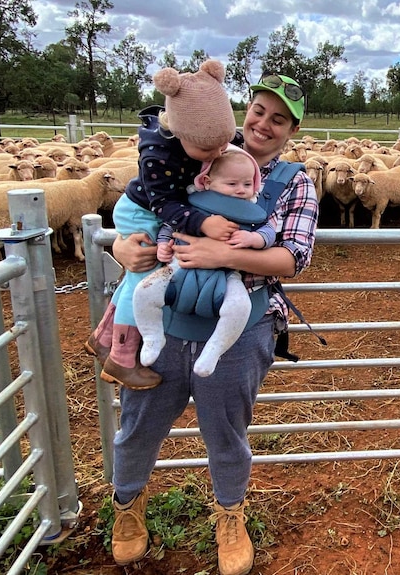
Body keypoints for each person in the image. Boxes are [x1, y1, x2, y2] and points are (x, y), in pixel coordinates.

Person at [108, 72, 318, 575]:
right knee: (137, 427)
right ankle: (127, 509)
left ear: (292, 130)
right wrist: (121, 247)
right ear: (244, 110)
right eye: (259, 111)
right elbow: (145, 211)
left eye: (280, 119)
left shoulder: (295, 183)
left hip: (238, 329)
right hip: (168, 316)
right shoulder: (197, 153)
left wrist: (220, 251)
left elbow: (293, 259)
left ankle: (230, 516)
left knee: (226, 432)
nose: (264, 124)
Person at [84, 59, 238, 390]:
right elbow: (164, 204)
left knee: (139, 273)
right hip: (143, 210)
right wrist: (205, 223)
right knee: (145, 278)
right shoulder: (158, 155)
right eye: (206, 148)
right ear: (179, 131)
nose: (216, 153)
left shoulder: (205, 135)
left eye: (222, 144)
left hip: (152, 210)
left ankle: (104, 336)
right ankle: (122, 360)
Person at [133, 145, 272, 377]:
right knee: (144, 291)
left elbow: (268, 233)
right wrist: (163, 246)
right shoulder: (193, 204)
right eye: (232, 184)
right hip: (179, 268)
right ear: (207, 182)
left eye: (247, 184)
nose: (241, 191)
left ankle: (215, 349)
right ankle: (152, 335)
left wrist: (253, 238)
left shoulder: (252, 211)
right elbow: (171, 225)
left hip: (226, 275)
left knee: (240, 306)